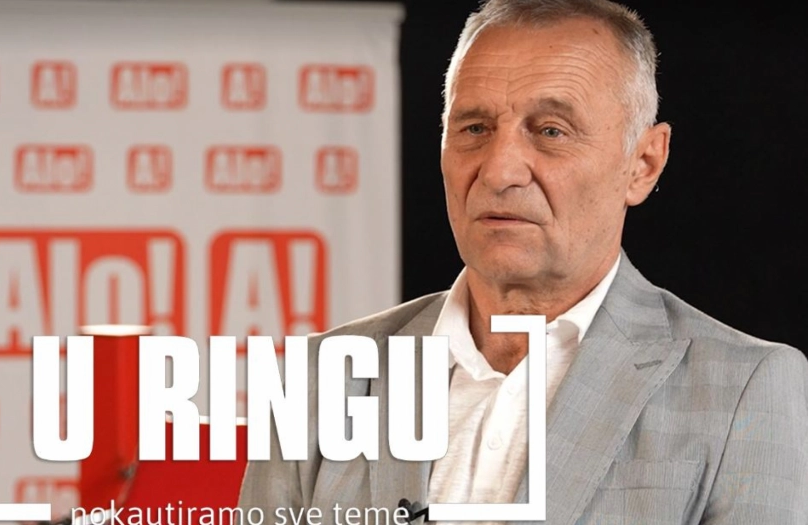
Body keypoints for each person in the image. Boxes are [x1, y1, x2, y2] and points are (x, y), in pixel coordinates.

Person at [238, 0, 808, 523]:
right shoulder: (318, 377)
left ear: (643, 163)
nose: (499, 170)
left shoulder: (743, 389)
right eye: (475, 128)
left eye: (551, 131)